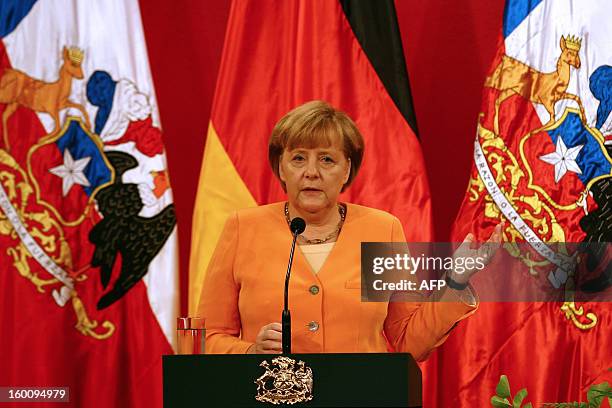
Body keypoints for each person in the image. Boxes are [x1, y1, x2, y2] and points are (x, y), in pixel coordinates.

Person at [197, 100, 501, 359]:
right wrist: (250, 352)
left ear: (346, 170)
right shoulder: (243, 229)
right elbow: (207, 337)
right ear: (281, 168)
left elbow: (410, 341)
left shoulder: (381, 231)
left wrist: (456, 281)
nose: (312, 172)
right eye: (298, 158)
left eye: (327, 159)